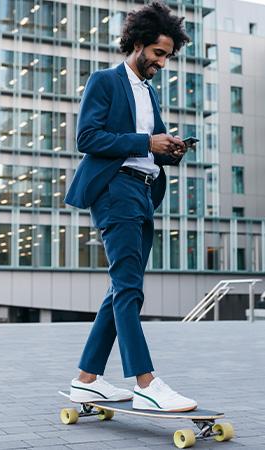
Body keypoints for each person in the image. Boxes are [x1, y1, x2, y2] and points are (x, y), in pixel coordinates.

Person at [64, 1, 197, 412]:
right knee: (129, 289)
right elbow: (87, 138)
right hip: (114, 190)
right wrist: (145, 143)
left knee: (122, 287)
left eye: (168, 56)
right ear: (138, 44)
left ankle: (86, 380)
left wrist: (169, 148)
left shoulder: (149, 92)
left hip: (143, 191)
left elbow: (151, 146)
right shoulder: (104, 81)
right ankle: (146, 382)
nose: (163, 62)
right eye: (159, 53)